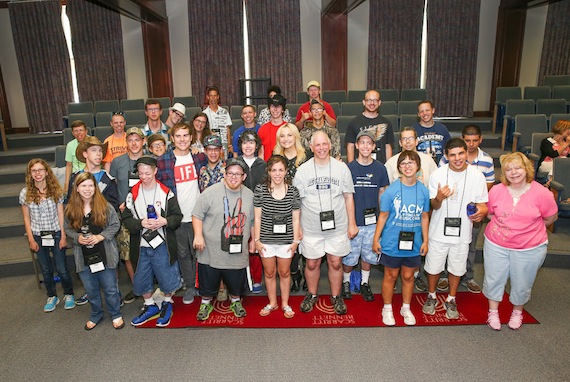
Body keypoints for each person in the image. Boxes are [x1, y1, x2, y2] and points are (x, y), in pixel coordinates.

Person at [483, 152, 558, 331]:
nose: (513, 172)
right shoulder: (496, 190)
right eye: (509, 169)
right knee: (493, 278)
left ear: (527, 169)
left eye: (518, 168)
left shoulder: (542, 193)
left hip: (529, 247)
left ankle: (517, 312)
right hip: (496, 244)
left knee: (522, 281)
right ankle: (493, 312)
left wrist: (527, 230)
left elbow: (550, 218)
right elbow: (490, 214)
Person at [293, 131, 358, 315]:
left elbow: (348, 198)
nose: (321, 148)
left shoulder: (342, 168)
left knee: (336, 262)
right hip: (311, 228)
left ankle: (336, 296)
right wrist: (296, 227)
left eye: (324, 144)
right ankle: (312, 295)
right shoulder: (302, 171)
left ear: (330, 145)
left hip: (337, 226)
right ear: (311, 148)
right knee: (312, 263)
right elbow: (297, 204)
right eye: (317, 145)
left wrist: (352, 223)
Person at [422, 138, 488, 320]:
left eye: (461, 153)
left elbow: (483, 204)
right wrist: (440, 197)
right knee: (433, 267)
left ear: (467, 153)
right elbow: (432, 206)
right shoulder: (438, 175)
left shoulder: (477, 176)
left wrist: (481, 211)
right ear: (446, 156)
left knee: (457, 269)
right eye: (452, 155)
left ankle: (451, 298)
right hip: (438, 231)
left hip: (462, 232)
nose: (457, 158)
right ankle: (432, 295)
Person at [122, 156, 183, 327]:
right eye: (141, 173)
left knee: (167, 276)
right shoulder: (132, 193)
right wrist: (140, 223)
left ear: (155, 171)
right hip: (141, 245)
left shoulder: (166, 192)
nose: (144, 177)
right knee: (141, 277)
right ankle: (149, 306)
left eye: (148, 173)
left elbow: (177, 216)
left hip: (162, 243)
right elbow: (126, 218)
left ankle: (167, 303)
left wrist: (164, 221)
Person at [372, 151, 430, 326]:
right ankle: (387, 308)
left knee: (408, 276)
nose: (407, 166)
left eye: (411, 162)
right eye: (403, 163)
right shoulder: (391, 191)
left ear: (418, 167)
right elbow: (382, 216)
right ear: (399, 168)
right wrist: (376, 239)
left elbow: (425, 216)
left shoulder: (424, 191)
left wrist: (426, 240)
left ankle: (406, 307)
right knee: (390, 275)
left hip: (414, 242)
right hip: (391, 241)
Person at [192, 158, 254, 321]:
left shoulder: (249, 195)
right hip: (210, 250)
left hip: (237, 250)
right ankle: (205, 303)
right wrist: (198, 235)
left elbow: (254, 221)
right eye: (230, 173)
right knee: (208, 283)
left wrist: (254, 239)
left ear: (244, 177)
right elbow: (197, 215)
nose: (233, 177)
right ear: (224, 175)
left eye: (238, 174)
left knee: (235, 282)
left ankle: (235, 301)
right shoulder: (210, 192)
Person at [439, 124, 495, 294]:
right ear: (462, 140)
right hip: (449, 208)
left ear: (480, 140)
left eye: (475, 140)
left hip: (473, 210)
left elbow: (488, 185)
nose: (471, 144)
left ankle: (468, 276)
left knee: (470, 244)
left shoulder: (487, 160)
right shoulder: (446, 158)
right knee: (445, 243)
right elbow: (442, 181)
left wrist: (473, 198)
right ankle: (443, 276)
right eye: (467, 141)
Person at [64, 172, 123, 330]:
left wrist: (101, 237)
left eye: (91, 185)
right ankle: (96, 314)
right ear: (76, 188)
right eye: (83, 186)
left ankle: (115, 313)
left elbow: (115, 225)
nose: (87, 189)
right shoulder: (70, 209)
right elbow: (67, 229)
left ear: (95, 188)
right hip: (84, 258)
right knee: (91, 289)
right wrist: (77, 238)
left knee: (110, 287)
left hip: (105, 255)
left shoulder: (105, 206)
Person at [156, 122, 207, 305]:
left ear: (191, 138)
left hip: (198, 215)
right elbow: (156, 187)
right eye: (178, 136)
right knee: (183, 253)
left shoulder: (199, 158)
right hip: (177, 216)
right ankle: (190, 286)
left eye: (186, 135)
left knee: (201, 252)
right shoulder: (163, 161)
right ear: (172, 139)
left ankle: (204, 285)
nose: (182, 139)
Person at [384, 127, 437, 292]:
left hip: (420, 211)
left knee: (417, 246)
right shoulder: (391, 162)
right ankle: (393, 281)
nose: (407, 141)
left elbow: (434, 185)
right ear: (400, 142)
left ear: (416, 141)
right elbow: (386, 189)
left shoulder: (428, 160)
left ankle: (416, 276)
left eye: (410, 138)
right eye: (404, 139)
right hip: (399, 215)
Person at [21, 159, 75, 312]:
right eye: (34, 171)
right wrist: (31, 239)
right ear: (30, 174)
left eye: (40, 170)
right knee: (46, 269)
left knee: (62, 268)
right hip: (38, 235)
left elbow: (61, 216)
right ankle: (52, 295)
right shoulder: (25, 193)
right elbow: (26, 218)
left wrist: (63, 236)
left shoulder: (56, 191)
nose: (37, 173)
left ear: (46, 172)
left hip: (56, 233)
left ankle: (68, 293)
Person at [342, 131, 389, 301]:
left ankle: (364, 283)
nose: (365, 146)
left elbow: (382, 194)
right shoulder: (349, 168)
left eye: (369, 143)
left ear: (374, 146)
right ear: (356, 146)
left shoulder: (380, 168)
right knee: (350, 257)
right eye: (362, 143)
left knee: (368, 256)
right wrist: (349, 222)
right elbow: (345, 197)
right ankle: (346, 282)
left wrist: (381, 223)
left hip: (372, 223)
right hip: (352, 222)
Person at [254, 155, 301, 318]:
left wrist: (296, 241)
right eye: (274, 170)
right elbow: (257, 217)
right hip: (266, 240)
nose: (277, 174)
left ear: (286, 171)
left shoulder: (293, 191)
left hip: (286, 241)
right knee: (269, 273)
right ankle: (272, 302)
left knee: (285, 272)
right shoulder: (260, 190)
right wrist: (257, 240)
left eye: (281, 170)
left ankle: (285, 303)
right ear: (269, 171)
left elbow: (296, 218)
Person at [109, 127, 146, 303]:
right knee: (127, 254)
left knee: (150, 251)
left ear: (143, 142)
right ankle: (137, 287)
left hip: (148, 214)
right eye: (130, 140)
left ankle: (153, 286)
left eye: (137, 139)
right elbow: (113, 185)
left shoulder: (151, 160)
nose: (134, 143)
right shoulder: (117, 162)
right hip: (126, 215)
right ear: (126, 142)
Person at [273, 123, 307, 292]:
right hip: (285, 209)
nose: (286, 139)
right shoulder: (276, 158)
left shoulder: (306, 157)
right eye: (282, 136)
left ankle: (309, 275)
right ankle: (295, 275)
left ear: (296, 137)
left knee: (306, 245)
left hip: (306, 207)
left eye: (289, 135)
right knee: (289, 245)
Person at [238, 131, 267, 294]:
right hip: (239, 211)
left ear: (256, 146)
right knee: (240, 244)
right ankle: (240, 277)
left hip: (258, 212)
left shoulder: (263, 165)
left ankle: (256, 279)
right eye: (244, 142)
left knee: (255, 245)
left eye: (251, 143)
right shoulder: (235, 163)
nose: (248, 146)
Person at [67, 136, 120, 211]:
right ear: (85, 154)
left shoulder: (108, 180)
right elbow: (70, 203)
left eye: (100, 151)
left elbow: (112, 209)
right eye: (94, 150)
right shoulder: (75, 178)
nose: (98, 154)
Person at [345, 90, 394, 163]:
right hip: (359, 166)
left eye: (375, 100)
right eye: (369, 100)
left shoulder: (386, 123)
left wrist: (388, 167)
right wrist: (351, 168)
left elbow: (388, 147)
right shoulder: (353, 123)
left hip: (380, 165)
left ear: (379, 103)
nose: (372, 103)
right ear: (364, 102)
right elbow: (351, 147)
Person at [202, 86, 232, 156]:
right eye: (211, 96)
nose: (213, 98)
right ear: (207, 97)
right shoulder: (204, 113)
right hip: (211, 144)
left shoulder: (224, 111)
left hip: (223, 143)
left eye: (215, 96)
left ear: (218, 97)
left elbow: (228, 129)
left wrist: (229, 144)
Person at [258, 94, 288, 161]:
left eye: (278, 107)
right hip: (267, 166)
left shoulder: (289, 128)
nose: (275, 109)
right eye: (272, 106)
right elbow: (261, 153)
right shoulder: (262, 130)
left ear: (283, 110)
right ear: (269, 109)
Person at [64, 120, 88, 193]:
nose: (78, 133)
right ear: (73, 133)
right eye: (76, 131)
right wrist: (66, 183)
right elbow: (69, 165)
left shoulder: (93, 142)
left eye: (81, 130)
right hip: (76, 176)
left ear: (86, 131)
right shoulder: (70, 145)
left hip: (90, 174)